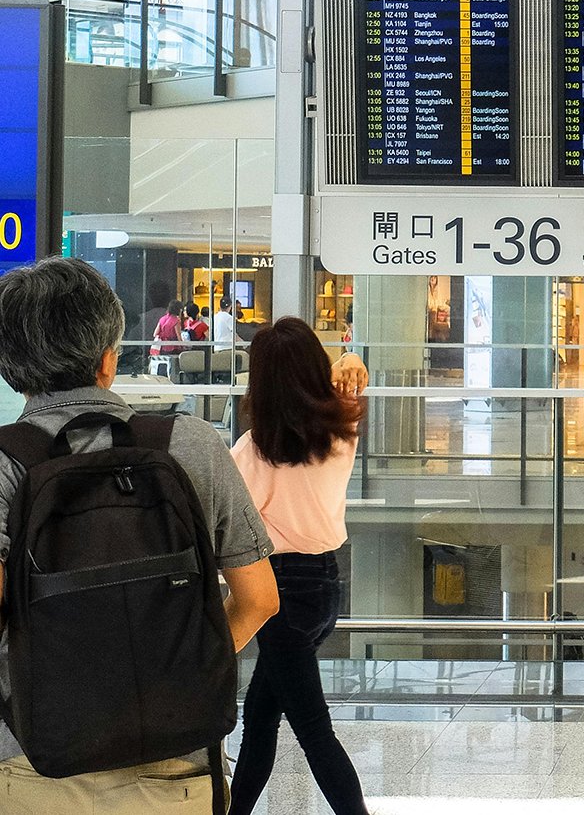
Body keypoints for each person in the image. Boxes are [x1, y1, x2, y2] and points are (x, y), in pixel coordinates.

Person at [0, 257, 279, 812]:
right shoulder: (192, 445)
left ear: (11, 368)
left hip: (34, 763)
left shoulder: (5, 463)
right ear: (109, 358)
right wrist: (174, 674)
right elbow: (260, 599)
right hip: (177, 762)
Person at [228, 317, 372, 815]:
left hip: (277, 593)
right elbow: (349, 377)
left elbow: (225, 522)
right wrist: (349, 362)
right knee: (261, 719)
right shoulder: (342, 428)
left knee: (313, 730)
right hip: (326, 585)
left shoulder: (251, 452)